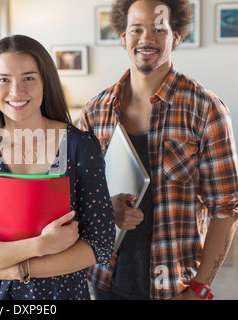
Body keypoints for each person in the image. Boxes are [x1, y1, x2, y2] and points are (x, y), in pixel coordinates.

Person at [78, 0, 238, 300]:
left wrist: (199, 289)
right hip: (103, 279)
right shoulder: (94, 111)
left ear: (176, 36)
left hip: (175, 286)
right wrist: (106, 208)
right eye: (136, 28)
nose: (146, 38)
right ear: (124, 36)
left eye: (159, 28)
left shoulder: (206, 110)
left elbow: (226, 208)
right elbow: (77, 192)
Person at [0, 35, 115, 300]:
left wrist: (21, 269)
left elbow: (101, 244)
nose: (16, 91)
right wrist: (41, 245)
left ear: (45, 83)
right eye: (4, 79)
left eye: (28, 78)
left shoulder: (80, 146)